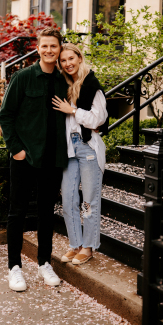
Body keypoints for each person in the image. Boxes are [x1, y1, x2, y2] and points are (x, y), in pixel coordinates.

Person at [0, 27, 69, 291]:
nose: (50, 50)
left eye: (54, 46)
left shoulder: (65, 81)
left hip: (53, 158)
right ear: (38, 49)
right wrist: (16, 149)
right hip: (24, 158)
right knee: (17, 212)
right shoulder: (23, 78)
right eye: (45, 46)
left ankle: (44, 263)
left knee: (46, 213)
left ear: (59, 49)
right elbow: (6, 116)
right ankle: (14, 267)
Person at [52, 43, 108, 265]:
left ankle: (88, 246)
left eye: (71, 59)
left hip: (87, 147)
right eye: (63, 61)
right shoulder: (64, 86)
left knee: (89, 202)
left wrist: (73, 110)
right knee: (68, 200)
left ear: (79, 58)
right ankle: (75, 244)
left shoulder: (91, 85)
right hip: (68, 148)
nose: (68, 64)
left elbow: (98, 119)